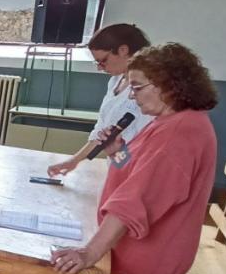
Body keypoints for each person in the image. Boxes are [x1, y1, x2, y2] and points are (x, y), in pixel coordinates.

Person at [51, 43, 219, 274]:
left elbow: (135, 201)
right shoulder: (180, 123)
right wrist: (117, 151)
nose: (131, 93)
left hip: (148, 248)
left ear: (169, 85)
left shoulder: (179, 133)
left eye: (139, 85)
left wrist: (90, 252)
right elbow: (141, 173)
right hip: (163, 246)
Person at [49, 24, 155, 178]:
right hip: (119, 165)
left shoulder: (147, 92)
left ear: (123, 50)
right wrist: (74, 161)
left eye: (103, 61)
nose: (100, 68)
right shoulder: (115, 81)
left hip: (134, 170)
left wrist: (118, 156)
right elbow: (101, 130)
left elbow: (140, 146)